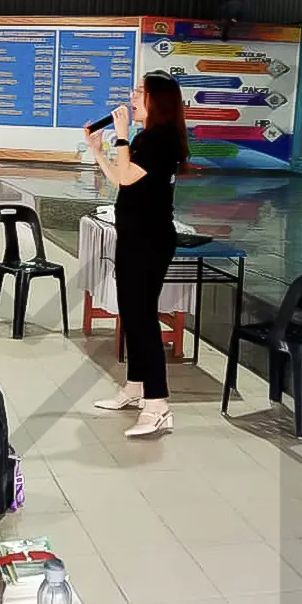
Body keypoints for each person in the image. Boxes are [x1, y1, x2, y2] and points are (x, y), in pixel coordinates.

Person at [88, 71, 189, 438]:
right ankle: (134, 387)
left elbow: (128, 177)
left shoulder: (161, 140)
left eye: (139, 92)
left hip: (150, 239)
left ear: (156, 100)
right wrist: (99, 150)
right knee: (131, 314)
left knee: (144, 319)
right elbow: (120, 179)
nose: (131, 97)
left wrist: (120, 136)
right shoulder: (147, 139)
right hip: (133, 236)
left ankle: (158, 403)